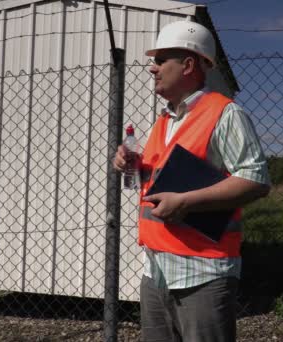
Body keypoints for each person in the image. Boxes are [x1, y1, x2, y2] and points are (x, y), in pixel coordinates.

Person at [113, 20, 270, 342]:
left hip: (202, 272)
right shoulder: (164, 119)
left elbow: (256, 181)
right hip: (155, 269)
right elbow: (160, 180)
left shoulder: (226, 114)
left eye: (160, 61)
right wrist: (134, 165)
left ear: (188, 64)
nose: (152, 69)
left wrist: (185, 203)